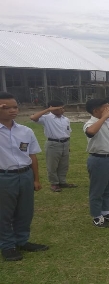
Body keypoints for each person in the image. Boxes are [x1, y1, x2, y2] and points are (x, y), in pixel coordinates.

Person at [0, 92, 48, 261]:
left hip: (25, 175)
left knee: (25, 211)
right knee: (5, 214)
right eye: (6, 107)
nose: (12, 110)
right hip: (4, 178)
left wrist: (36, 179)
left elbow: (32, 155)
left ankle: (22, 240)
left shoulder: (25, 131)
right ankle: (7, 245)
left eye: (15, 107)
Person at [84, 99, 109, 228]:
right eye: (105, 108)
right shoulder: (91, 123)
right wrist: (104, 117)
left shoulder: (105, 122)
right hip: (99, 160)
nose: (108, 111)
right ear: (96, 111)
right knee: (97, 190)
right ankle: (96, 216)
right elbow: (90, 132)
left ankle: (106, 212)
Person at [30, 100, 76, 192]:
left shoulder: (65, 119)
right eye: (59, 108)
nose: (62, 110)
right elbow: (33, 117)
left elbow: (67, 132)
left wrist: (68, 145)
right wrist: (48, 110)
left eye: (63, 108)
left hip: (65, 143)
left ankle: (62, 182)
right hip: (53, 144)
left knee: (64, 165)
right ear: (53, 108)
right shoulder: (47, 118)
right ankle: (54, 183)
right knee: (52, 165)